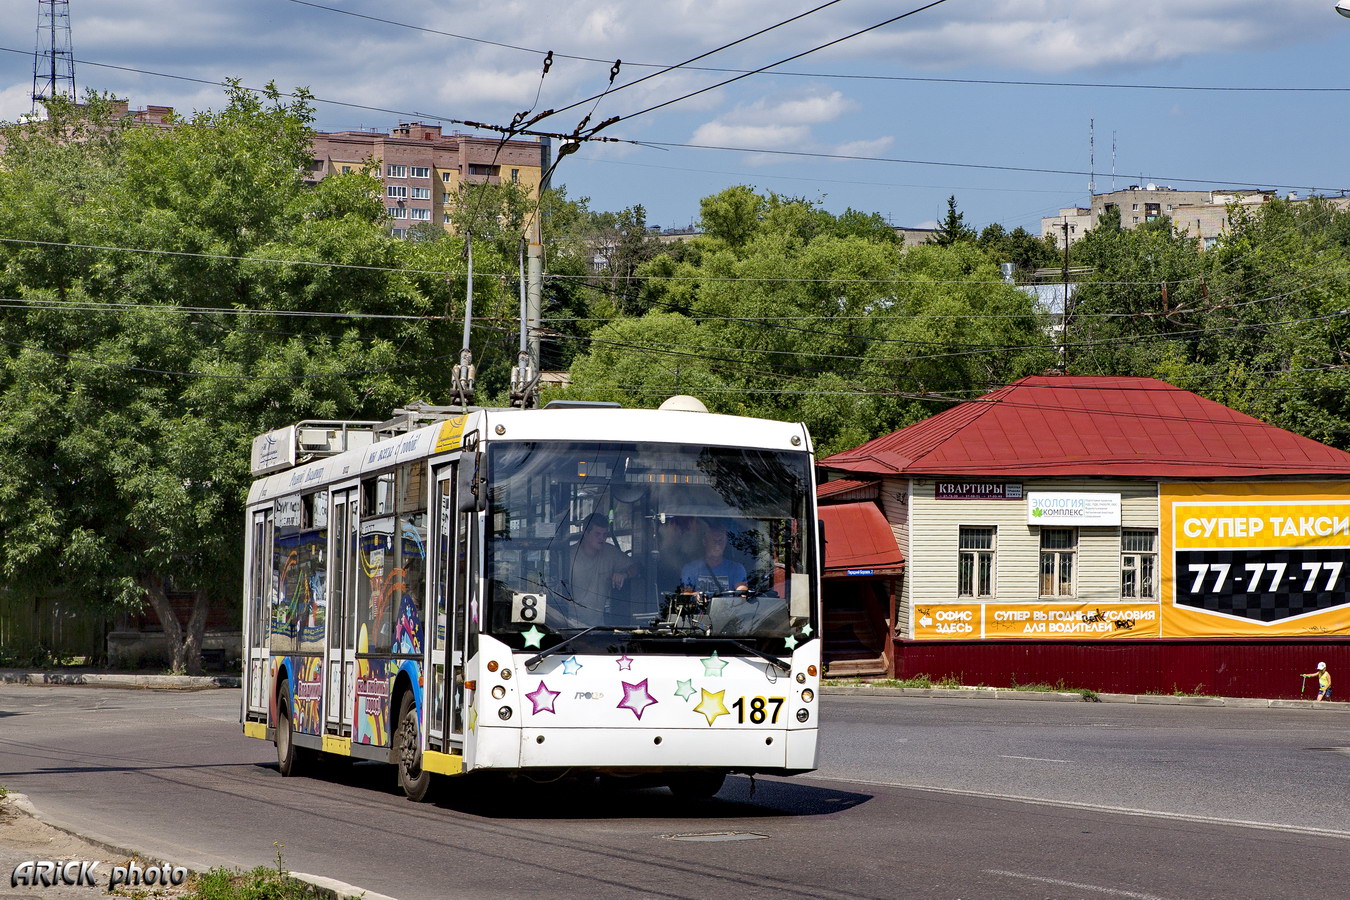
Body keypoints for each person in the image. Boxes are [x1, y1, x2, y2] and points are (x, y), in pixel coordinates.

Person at [555, 513, 637, 628]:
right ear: (585, 533)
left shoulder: (610, 553)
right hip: (568, 626)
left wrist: (624, 574)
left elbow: (636, 567)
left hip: (597, 627)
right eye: (597, 534)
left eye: (604, 534)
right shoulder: (567, 557)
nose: (602, 538)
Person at [680, 522, 748, 595]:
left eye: (720, 540)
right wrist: (695, 597)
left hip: (728, 606)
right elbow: (685, 594)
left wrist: (742, 593)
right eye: (714, 540)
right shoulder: (690, 569)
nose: (717, 544)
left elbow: (742, 593)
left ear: (726, 543)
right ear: (705, 542)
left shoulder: (736, 569)